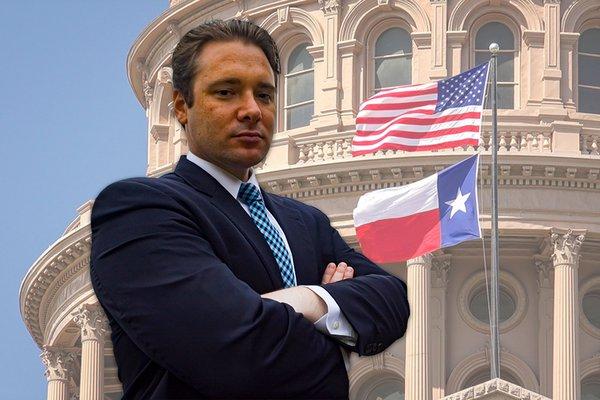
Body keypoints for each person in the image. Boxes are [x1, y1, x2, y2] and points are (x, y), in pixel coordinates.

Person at [90, 19, 409, 400]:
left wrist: (308, 299)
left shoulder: (306, 222)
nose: (251, 110)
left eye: (265, 95)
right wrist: (332, 326)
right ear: (180, 106)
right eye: (226, 92)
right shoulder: (140, 211)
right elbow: (235, 354)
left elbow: (391, 300)